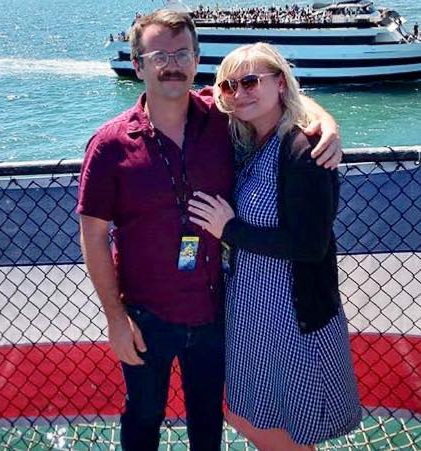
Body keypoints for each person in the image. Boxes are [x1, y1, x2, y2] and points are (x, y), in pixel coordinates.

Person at [77, 10, 342, 451]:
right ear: (138, 64)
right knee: (142, 417)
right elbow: (93, 234)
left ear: (197, 60)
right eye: (159, 54)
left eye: (182, 53)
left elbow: (279, 101)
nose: (171, 64)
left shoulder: (220, 117)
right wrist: (114, 318)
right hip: (146, 315)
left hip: (216, 311)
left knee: (208, 422)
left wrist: (325, 121)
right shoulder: (110, 145)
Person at [188, 42, 362, 451]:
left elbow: (309, 246)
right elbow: (184, 97)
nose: (239, 93)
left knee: (288, 425)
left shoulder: (303, 150)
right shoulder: (249, 138)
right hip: (254, 311)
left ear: (279, 83)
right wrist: (323, 114)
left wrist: (229, 230)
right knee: (250, 411)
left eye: (251, 81)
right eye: (229, 85)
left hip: (292, 315)